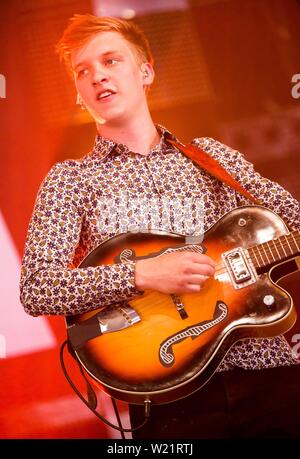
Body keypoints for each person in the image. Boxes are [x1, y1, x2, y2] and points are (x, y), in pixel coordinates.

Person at [20, 14, 300, 438]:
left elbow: (291, 221)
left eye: (111, 61)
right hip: (171, 399)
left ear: (146, 71)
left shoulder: (211, 157)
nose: (97, 76)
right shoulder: (70, 181)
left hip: (270, 374)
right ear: (78, 94)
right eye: (83, 71)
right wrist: (142, 274)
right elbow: (37, 288)